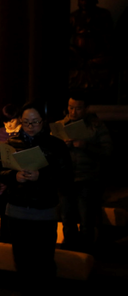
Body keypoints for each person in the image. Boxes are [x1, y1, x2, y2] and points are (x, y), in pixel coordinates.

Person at [0, 101, 73, 296]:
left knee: (44, 261)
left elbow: (66, 177)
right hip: (17, 209)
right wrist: (15, 176)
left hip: (44, 210)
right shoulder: (11, 143)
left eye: (35, 122)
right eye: (26, 122)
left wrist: (42, 176)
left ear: (43, 121)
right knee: (22, 261)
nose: (30, 126)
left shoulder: (55, 145)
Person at [56, 92, 112, 253]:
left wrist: (85, 146)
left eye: (78, 109)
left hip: (87, 179)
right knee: (67, 218)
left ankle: (86, 254)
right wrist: (61, 146)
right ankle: (69, 254)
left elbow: (108, 151)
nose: (73, 112)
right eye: (70, 108)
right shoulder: (60, 125)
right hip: (65, 179)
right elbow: (49, 153)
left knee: (86, 219)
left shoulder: (96, 126)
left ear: (86, 109)